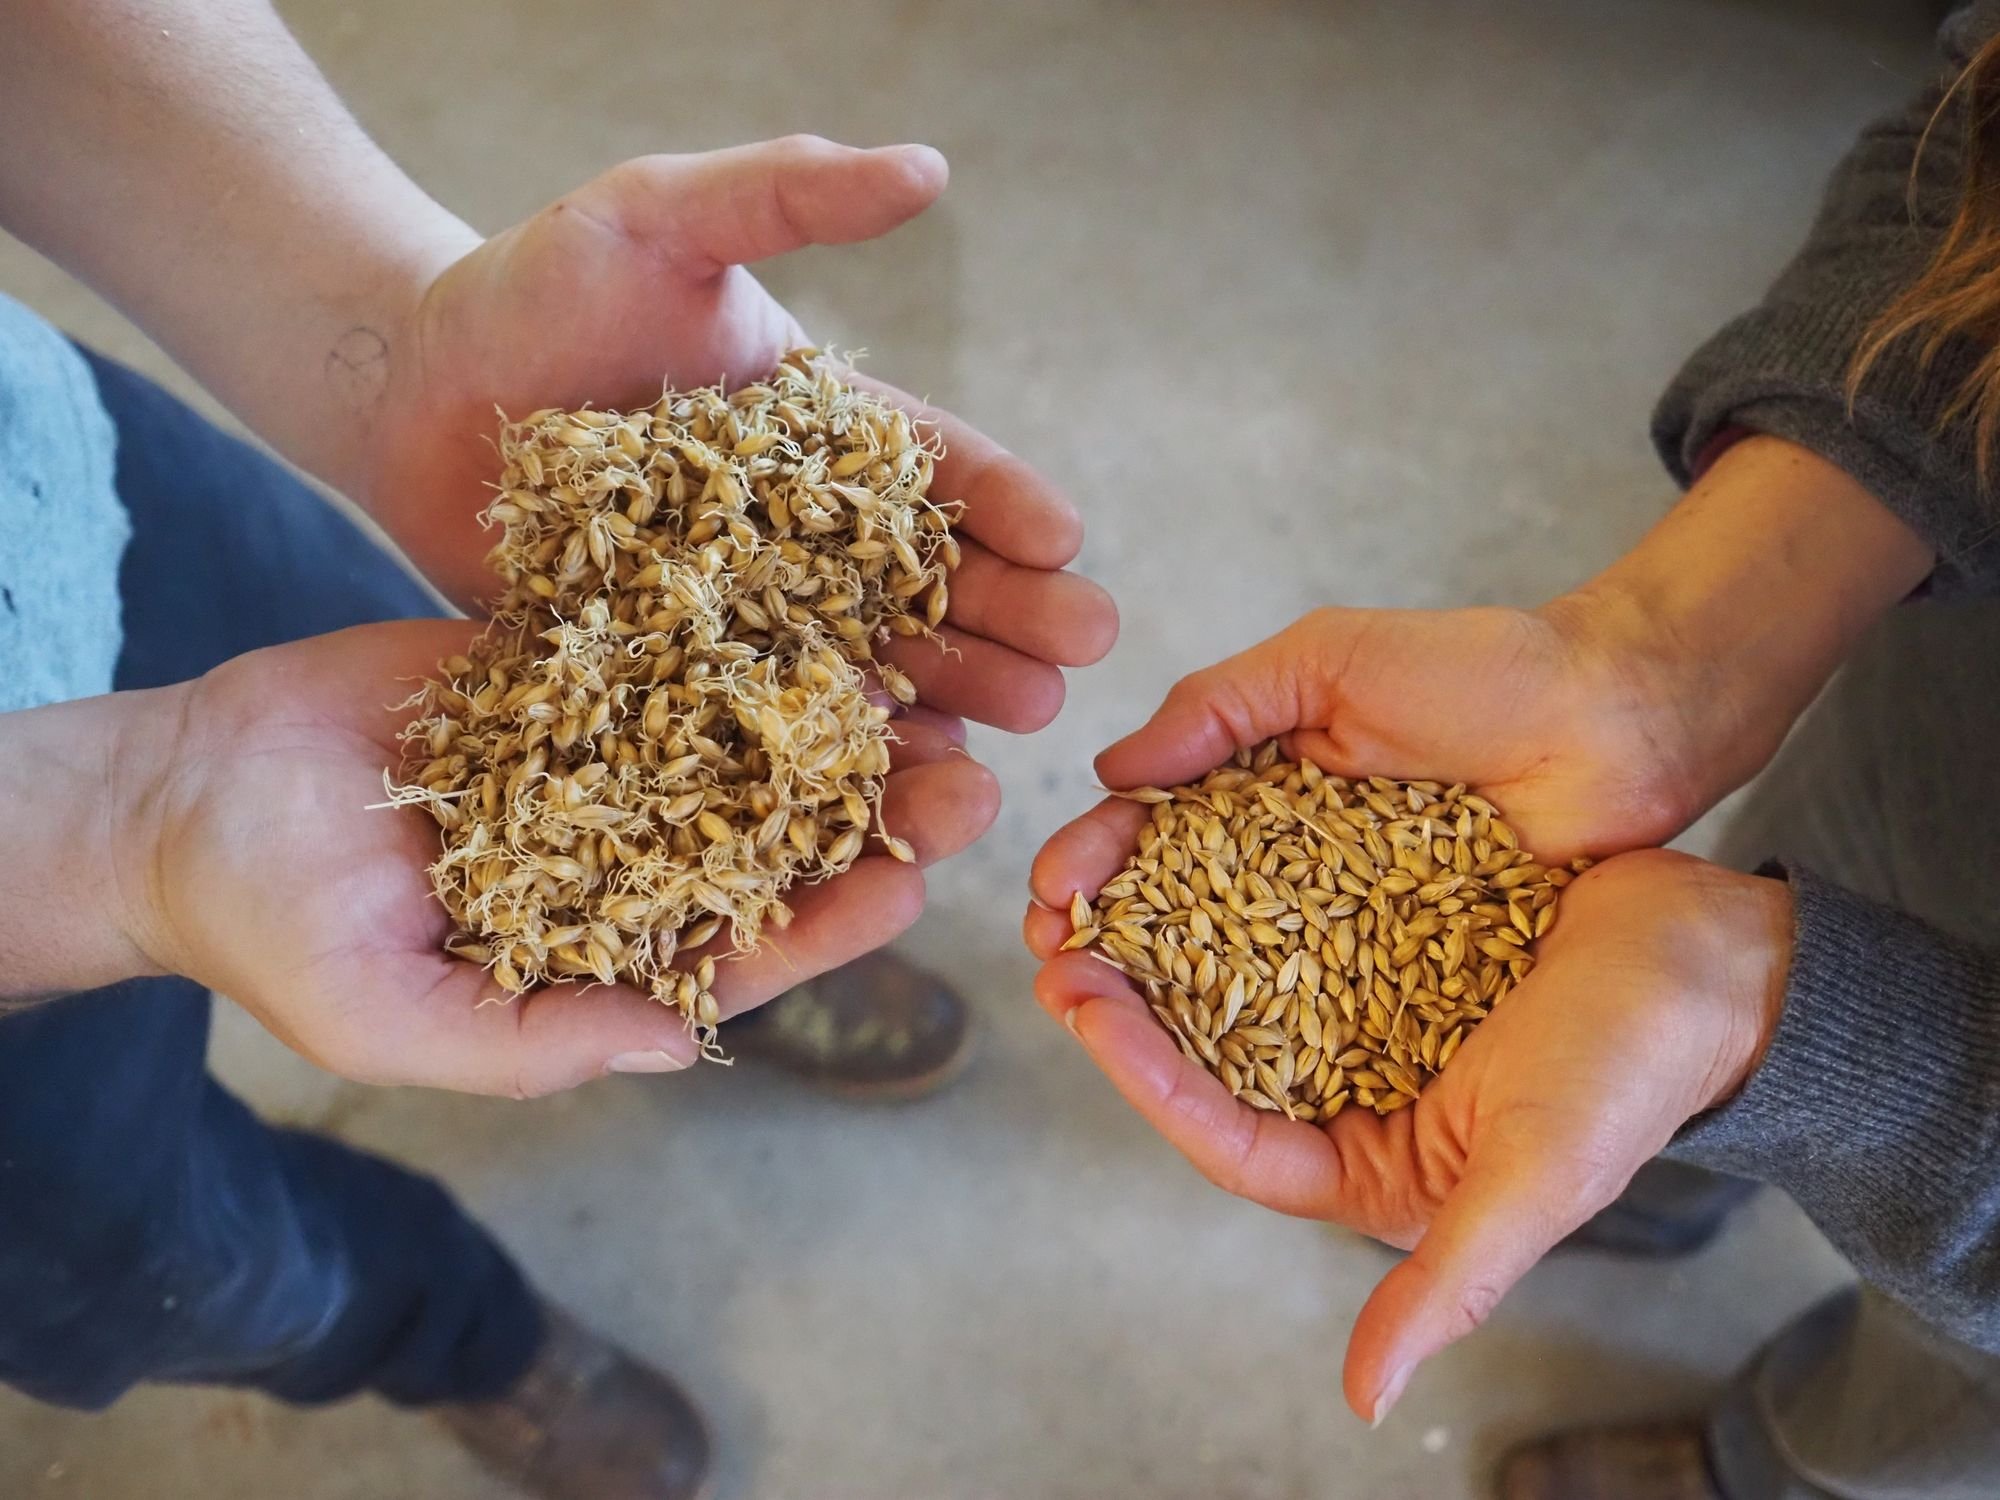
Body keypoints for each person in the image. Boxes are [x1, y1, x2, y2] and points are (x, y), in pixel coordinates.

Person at [0, 3, 1117, 1497]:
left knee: (404, 649)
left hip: (44, 479)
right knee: (141, 1258)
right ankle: (460, 1338)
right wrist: (112, 831)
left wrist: (394, 324)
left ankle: (700, 910)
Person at [1027, 4, 2000, 1498]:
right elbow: (1981, 147)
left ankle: (1769, 1463)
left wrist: (1791, 1034)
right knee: (1805, 864)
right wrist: (1666, 655)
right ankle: (1644, 1161)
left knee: (1942, 1384)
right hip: (1956, 689)